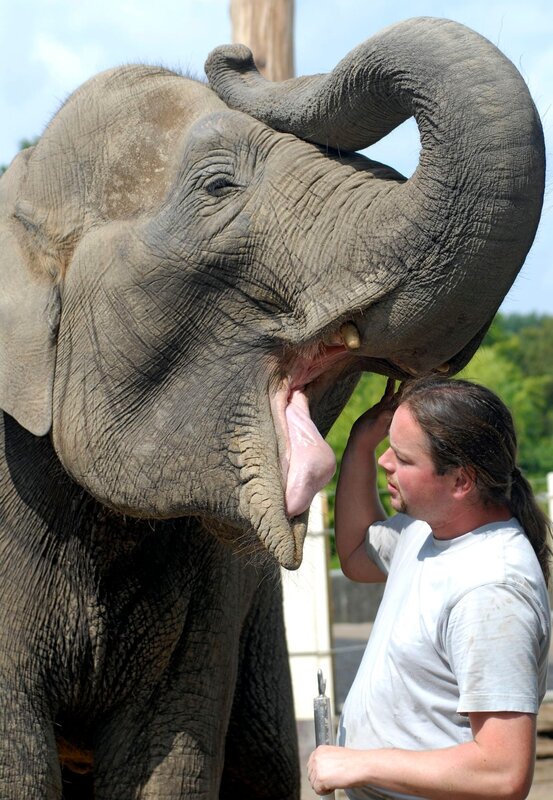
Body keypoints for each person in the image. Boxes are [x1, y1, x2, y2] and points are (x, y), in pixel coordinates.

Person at [308, 376, 552, 800]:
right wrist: (360, 445)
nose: (386, 463)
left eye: (402, 458)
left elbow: (503, 772)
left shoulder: (491, 589)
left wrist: (362, 763)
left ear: (460, 481)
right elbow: (354, 553)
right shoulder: (426, 530)